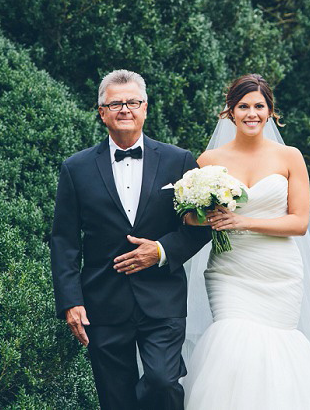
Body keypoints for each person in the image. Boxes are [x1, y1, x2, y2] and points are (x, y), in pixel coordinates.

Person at [182, 74, 310, 409]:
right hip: (229, 271)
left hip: (278, 271)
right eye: (243, 106)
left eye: (259, 106)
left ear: (271, 111)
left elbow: (299, 222)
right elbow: (188, 216)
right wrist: (206, 216)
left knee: (276, 348)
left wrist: (242, 220)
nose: (251, 113)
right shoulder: (209, 162)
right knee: (231, 340)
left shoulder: (290, 157)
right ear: (230, 112)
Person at [50, 69, 210, 410]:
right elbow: (64, 241)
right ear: (101, 112)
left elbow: (199, 227)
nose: (125, 109)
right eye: (116, 103)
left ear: (145, 108)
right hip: (102, 301)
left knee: (162, 382)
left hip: (162, 298)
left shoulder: (178, 161)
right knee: (114, 397)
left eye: (133, 102)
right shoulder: (75, 168)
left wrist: (162, 250)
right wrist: (70, 301)